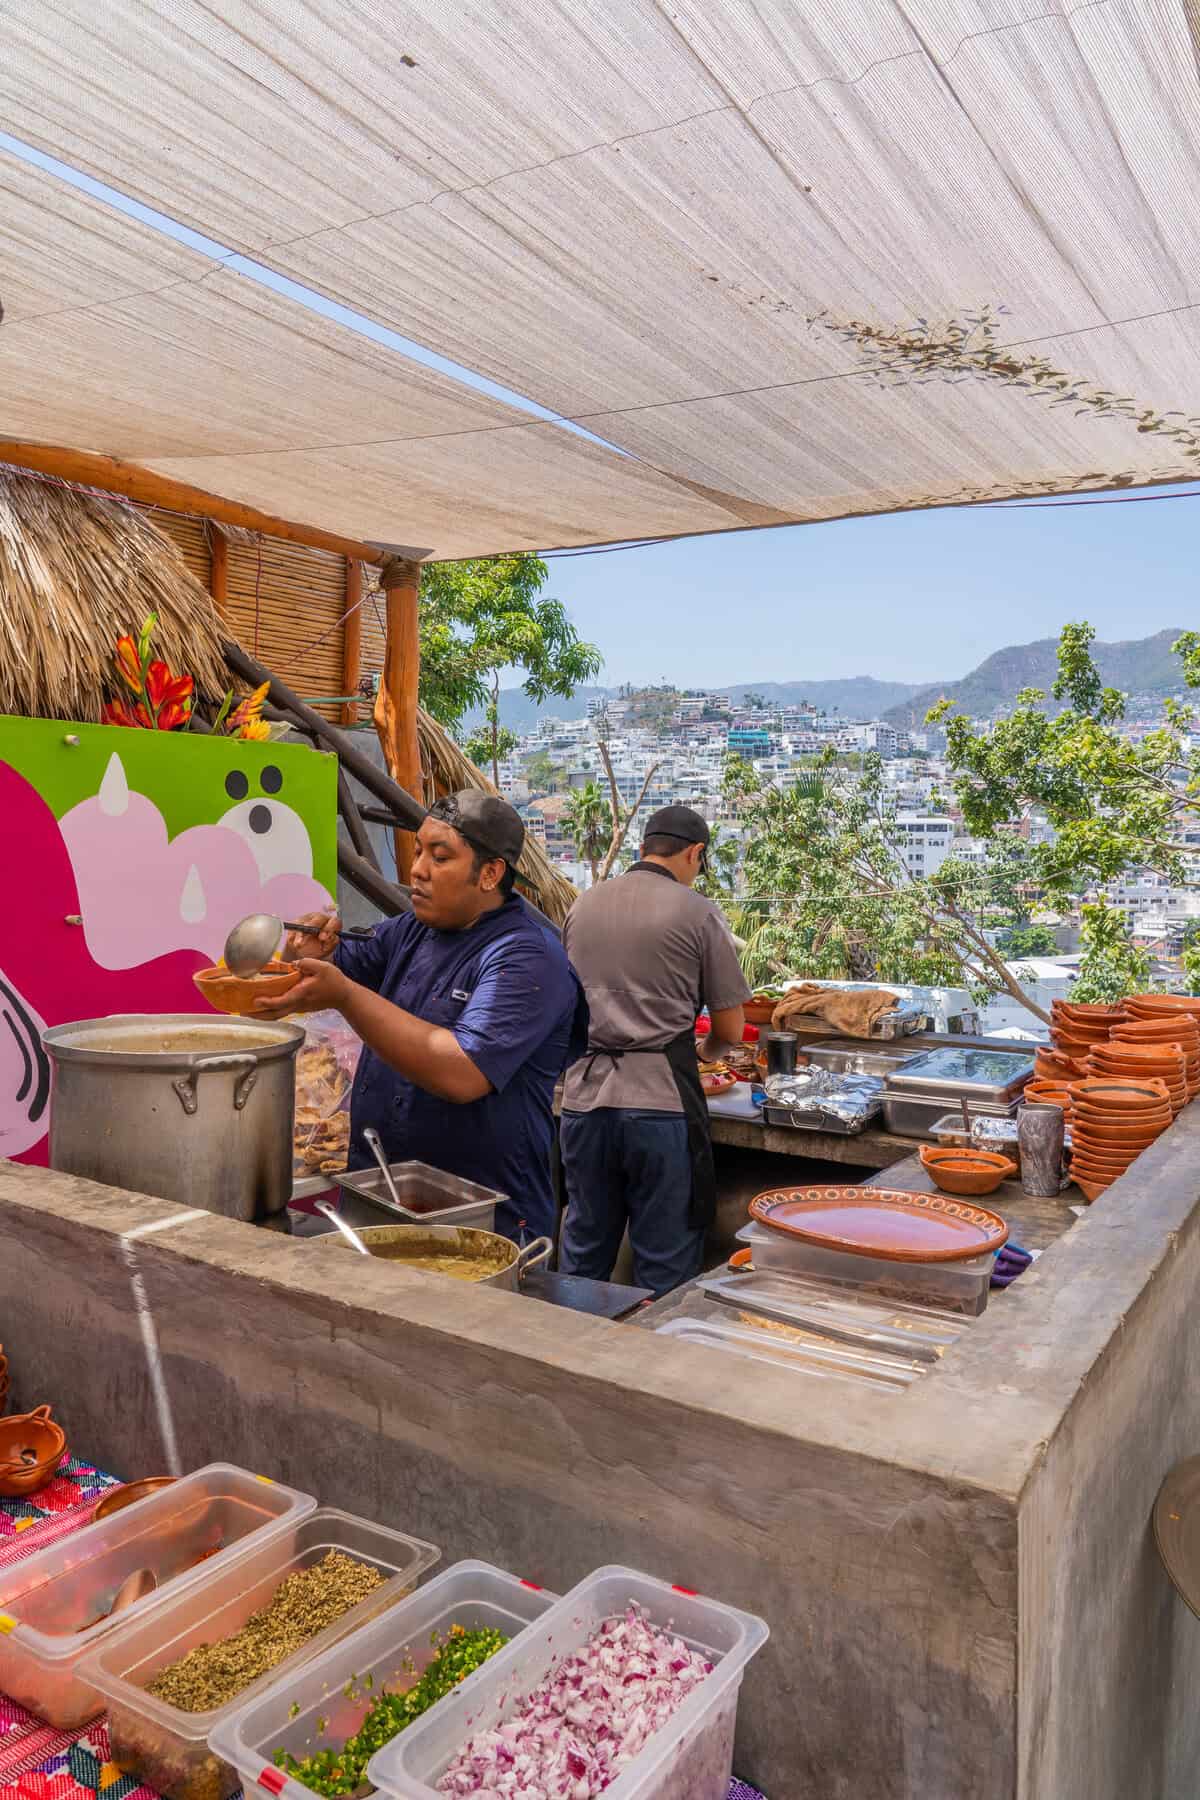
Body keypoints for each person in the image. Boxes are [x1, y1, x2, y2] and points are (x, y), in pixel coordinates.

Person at [255, 792, 585, 1245]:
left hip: (482, 1215)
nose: (418, 869)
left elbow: (462, 1071)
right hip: (380, 1193)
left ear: (490, 874)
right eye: (419, 850)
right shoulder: (411, 930)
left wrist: (346, 995)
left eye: (441, 856)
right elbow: (347, 961)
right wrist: (311, 953)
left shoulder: (526, 957)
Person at [557, 804, 750, 1296]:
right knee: (664, 1266)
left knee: (582, 1254)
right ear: (695, 853)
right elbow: (731, 1026)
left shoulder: (584, 904)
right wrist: (706, 1053)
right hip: (660, 1104)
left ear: (644, 846)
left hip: (582, 1100)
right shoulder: (697, 911)